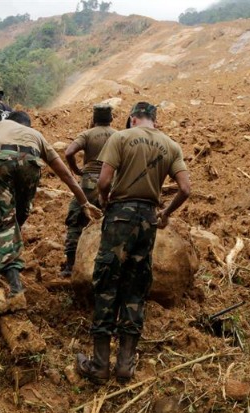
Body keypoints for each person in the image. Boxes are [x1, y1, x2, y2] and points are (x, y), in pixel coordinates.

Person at [76, 102, 191, 385]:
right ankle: (125, 366)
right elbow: (186, 189)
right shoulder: (171, 146)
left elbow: (103, 182)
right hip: (148, 221)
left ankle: (100, 365)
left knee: (106, 283)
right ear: (154, 119)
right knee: (136, 286)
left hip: (120, 217)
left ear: (132, 119)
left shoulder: (121, 137)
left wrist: (105, 202)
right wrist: (164, 213)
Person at [0, 111, 102, 314]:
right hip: (31, 166)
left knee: (1, 222)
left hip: (3, 162)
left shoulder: (1, 126)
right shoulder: (37, 135)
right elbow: (64, 173)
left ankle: (16, 290)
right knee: (13, 222)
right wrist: (83, 201)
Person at [60, 103, 116, 277]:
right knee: (110, 221)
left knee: (76, 220)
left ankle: (70, 266)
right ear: (111, 118)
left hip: (88, 182)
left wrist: (76, 171)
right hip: (111, 182)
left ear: (93, 119)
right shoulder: (119, 136)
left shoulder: (87, 134)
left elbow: (69, 152)